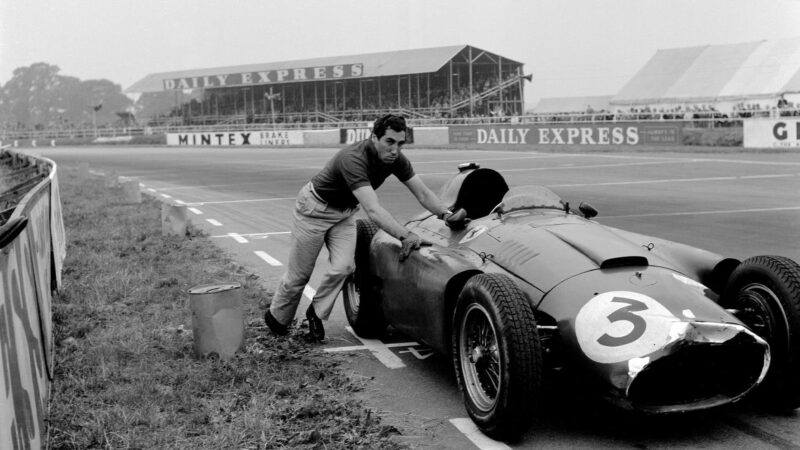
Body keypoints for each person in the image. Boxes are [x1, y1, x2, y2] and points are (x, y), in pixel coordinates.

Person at [265, 114, 467, 341]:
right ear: (374, 138)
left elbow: (422, 193)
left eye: (400, 144)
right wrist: (405, 234)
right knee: (298, 277)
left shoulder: (396, 159)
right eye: (389, 142)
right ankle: (276, 321)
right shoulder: (353, 159)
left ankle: (315, 313)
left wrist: (446, 214)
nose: (395, 150)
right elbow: (373, 210)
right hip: (314, 210)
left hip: (344, 214)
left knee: (344, 268)